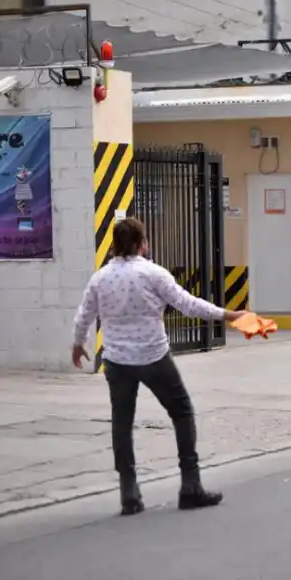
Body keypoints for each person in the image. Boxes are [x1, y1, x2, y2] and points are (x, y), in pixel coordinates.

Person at [72, 218, 248, 516]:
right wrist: (228, 315)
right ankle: (190, 486)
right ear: (143, 243)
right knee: (181, 412)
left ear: (114, 243)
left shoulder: (100, 278)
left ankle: (129, 493)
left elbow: (84, 316)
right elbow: (187, 304)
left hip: (117, 362)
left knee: (122, 423)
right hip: (154, 358)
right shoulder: (154, 274)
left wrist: (78, 344)